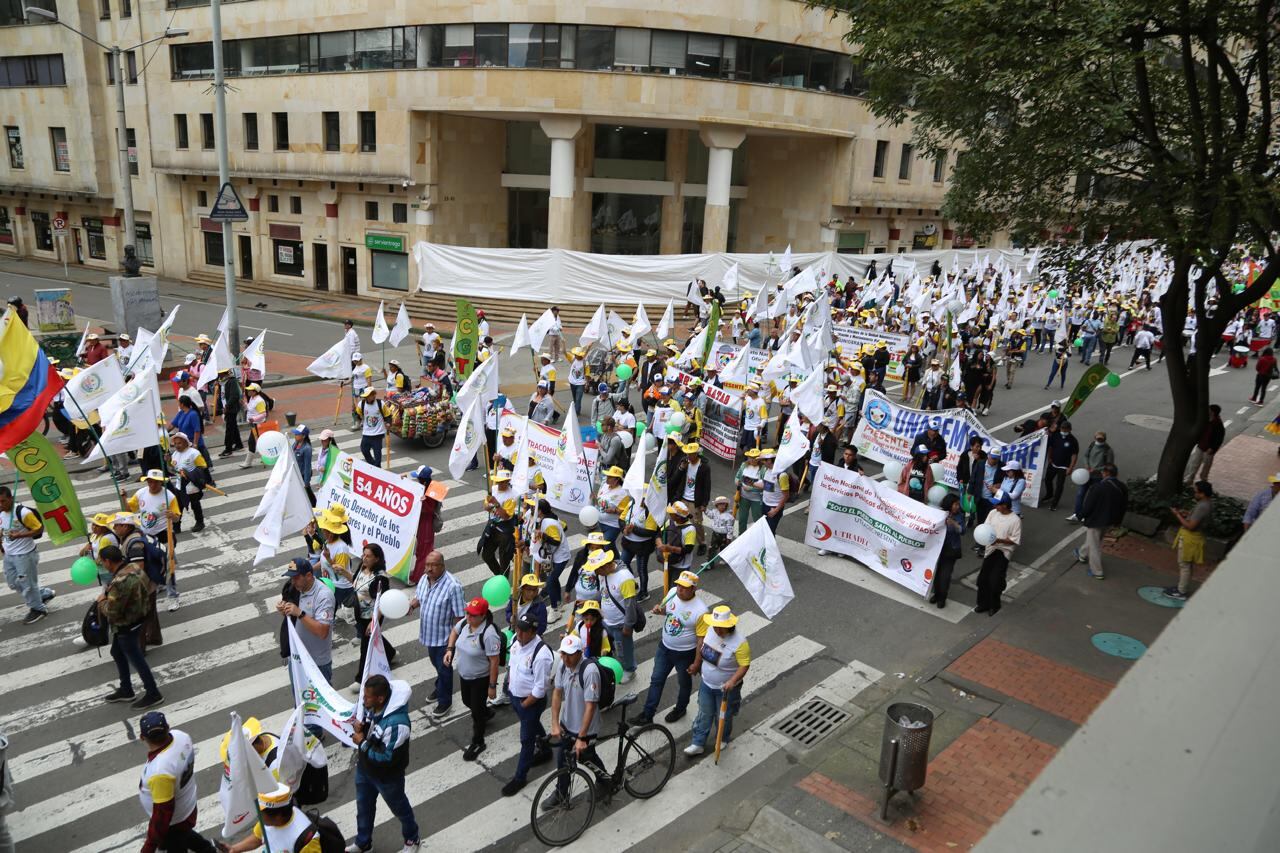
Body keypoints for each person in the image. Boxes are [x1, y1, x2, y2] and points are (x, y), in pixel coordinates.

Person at [348, 675, 421, 853]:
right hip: (365, 770)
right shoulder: (373, 707)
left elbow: (387, 758)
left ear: (380, 698)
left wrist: (362, 742)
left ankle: (413, 839)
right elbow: (371, 731)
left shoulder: (397, 724)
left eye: (367, 696)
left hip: (388, 778)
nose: (363, 699)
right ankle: (363, 842)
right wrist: (362, 728)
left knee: (400, 809)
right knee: (363, 808)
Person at [135, 712, 216, 853]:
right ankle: (207, 850)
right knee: (184, 834)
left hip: (173, 821)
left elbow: (162, 814)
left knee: (178, 841)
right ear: (168, 728)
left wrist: (149, 845)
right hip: (187, 805)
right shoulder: (181, 736)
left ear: (142, 737)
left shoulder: (160, 771)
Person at [636, 570, 708, 726]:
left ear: (693, 589)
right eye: (679, 585)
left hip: (685, 653)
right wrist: (659, 610)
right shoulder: (673, 592)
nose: (680, 589)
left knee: (684, 682)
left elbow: (701, 640)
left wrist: (696, 662)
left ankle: (681, 708)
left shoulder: (701, 611)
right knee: (656, 679)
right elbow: (667, 612)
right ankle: (647, 714)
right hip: (664, 647)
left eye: (684, 587)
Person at [99, 545, 164, 708]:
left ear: (108, 561)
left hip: (126, 624)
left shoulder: (119, 582)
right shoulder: (134, 567)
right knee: (117, 652)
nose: (102, 565)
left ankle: (153, 692)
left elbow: (112, 611)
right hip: (139, 617)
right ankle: (126, 689)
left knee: (136, 659)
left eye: (102, 562)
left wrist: (101, 602)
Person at [543, 634, 603, 809]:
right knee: (563, 760)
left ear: (580, 652)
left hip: (585, 727)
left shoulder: (590, 671)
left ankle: (604, 780)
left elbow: (590, 706)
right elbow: (557, 693)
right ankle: (562, 792)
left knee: (587, 757)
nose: (566, 658)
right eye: (563, 654)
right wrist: (555, 722)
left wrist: (581, 738)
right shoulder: (563, 666)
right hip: (567, 724)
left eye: (570, 654)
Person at [684, 605, 751, 757]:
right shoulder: (710, 630)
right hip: (707, 683)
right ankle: (698, 742)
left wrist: (732, 681)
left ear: (730, 626)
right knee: (704, 713)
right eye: (716, 626)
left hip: (726, 689)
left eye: (722, 627)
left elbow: (744, 665)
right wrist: (696, 665)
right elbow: (702, 648)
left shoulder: (740, 643)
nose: (718, 630)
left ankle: (722, 738)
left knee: (723, 716)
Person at [501, 615, 555, 796]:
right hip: (517, 698)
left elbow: (541, 688)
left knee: (526, 740)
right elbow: (512, 665)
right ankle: (546, 749)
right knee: (532, 726)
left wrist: (525, 704)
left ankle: (520, 777)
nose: (519, 633)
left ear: (533, 632)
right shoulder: (517, 641)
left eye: (524, 630)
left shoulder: (541, 655)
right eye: (518, 629)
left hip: (530, 702)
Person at [409, 550, 466, 718]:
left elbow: (459, 616)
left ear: (442, 566)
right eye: (427, 564)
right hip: (429, 635)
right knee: (436, 664)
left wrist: (453, 643)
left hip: (444, 638)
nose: (429, 568)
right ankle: (440, 684)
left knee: (444, 668)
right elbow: (420, 597)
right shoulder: (424, 578)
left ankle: (444, 701)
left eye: (433, 565)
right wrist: (412, 605)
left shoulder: (453, 586)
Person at [445, 597, 503, 761]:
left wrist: (492, 686)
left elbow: (494, 662)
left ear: (483, 615)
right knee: (467, 701)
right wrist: (450, 649)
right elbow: (454, 632)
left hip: (480, 679)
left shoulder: (489, 634)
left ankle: (478, 741)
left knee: (476, 713)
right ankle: (486, 712)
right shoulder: (465, 623)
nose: (469, 617)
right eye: (468, 613)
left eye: (473, 615)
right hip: (465, 675)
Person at [125, 469, 182, 610]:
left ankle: (173, 596)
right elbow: (129, 509)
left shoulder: (169, 496)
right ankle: (160, 584)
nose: (152, 484)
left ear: (161, 482)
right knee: (151, 565)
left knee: (169, 567)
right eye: (150, 481)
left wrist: (172, 516)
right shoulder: (141, 493)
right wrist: (123, 497)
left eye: (155, 482)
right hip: (147, 538)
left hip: (164, 536)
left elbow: (177, 517)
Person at [215, 783, 326, 853]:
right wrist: (234, 849)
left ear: (278, 815)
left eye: (261, 812)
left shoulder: (306, 839)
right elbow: (259, 837)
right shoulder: (268, 822)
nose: (258, 815)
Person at [0, 485, 54, 624]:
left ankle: (38, 609)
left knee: (28, 584)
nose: (1, 504)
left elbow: (39, 528)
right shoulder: (1, 512)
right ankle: (41, 594)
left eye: (3, 501)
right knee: (13, 583)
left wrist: (19, 535)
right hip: (9, 555)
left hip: (25, 555)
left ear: (11, 499)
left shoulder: (23, 512)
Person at [276, 558, 335, 683]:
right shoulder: (295, 588)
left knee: (319, 702)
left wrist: (299, 613)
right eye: (291, 578)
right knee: (299, 701)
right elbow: (292, 618)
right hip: (296, 659)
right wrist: (284, 610)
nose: (292, 581)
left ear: (308, 576)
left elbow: (322, 632)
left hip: (316, 663)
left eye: (296, 578)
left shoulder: (324, 596)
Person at [351, 543, 396, 690]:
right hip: (360, 614)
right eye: (363, 554)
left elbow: (382, 601)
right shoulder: (362, 568)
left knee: (366, 646)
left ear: (377, 558)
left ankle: (360, 679)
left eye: (368, 556)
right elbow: (355, 583)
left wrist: (373, 621)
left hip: (373, 615)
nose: (364, 558)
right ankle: (390, 652)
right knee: (373, 637)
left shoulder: (381, 578)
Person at [1073, 464, 1128, 580]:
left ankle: (1097, 571)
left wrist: (1080, 515)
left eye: (1103, 472)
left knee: (1095, 545)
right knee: (1094, 540)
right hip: (1110, 520)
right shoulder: (1122, 487)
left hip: (1096, 520)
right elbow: (1124, 506)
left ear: (1106, 473)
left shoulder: (1098, 487)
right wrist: (1118, 521)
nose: (1102, 474)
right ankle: (1082, 554)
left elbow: (1089, 505)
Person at [593, 549, 640, 683]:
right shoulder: (603, 574)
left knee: (623, 648)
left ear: (606, 565)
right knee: (614, 646)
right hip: (607, 620)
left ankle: (629, 670)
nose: (597, 573)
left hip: (620, 623)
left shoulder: (624, 578)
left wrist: (628, 625)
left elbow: (630, 604)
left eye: (598, 570)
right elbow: (603, 592)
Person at [1165, 481, 1214, 601]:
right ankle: (1182, 588)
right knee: (1186, 564)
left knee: (1184, 565)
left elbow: (1190, 526)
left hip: (1190, 539)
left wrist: (1177, 515)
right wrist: (1188, 513)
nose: (1194, 494)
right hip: (1194, 538)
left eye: (1196, 492)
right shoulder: (1207, 503)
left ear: (1202, 493)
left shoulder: (1203, 506)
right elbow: (1197, 518)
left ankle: (1181, 592)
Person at [974, 494, 1022, 616]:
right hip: (990, 550)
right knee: (982, 579)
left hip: (1003, 552)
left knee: (995, 581)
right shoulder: (992, 513)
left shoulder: (1015, 520)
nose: (995, 506)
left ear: (1005, 505)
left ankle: (994, 605)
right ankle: (982, 604)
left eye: (998, 504)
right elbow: (985, 528)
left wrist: (999, 540)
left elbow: (1015, 540)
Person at [669, 443, 710, 554]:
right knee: (677, 520)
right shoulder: (684, 462)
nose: (689, 457)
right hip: (682, 498)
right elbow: (675, 479)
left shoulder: (704, 467)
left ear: (696, 454)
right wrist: (681, 468)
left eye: (691, 454)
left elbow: (707, 486)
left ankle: (702, 543)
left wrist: (704, 503)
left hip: (695, 501)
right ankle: (679, 540)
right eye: (688, 454)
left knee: (697, 523)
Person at [1067, 429, 1116, 522]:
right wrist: (1087, 466)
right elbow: (1086, 456)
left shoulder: (1108, 451)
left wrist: (1096, 469)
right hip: (1086, 474)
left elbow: (1109, 465)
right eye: (1098, 439)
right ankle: (1077, 514)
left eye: (1101, 440)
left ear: (1105, 439)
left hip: (1098, 477)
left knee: (1091, 497)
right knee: (1080, 494)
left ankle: (1086, 515)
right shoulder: (1092, 445)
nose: (1099, 441)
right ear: (1095, 438)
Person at [169, 432, 210, 534]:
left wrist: (188, 473)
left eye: (179, 443)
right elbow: (172, 469)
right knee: (178, 506)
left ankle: (200, 522)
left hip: (192, 486)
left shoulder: (194, 453)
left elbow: (203, 466)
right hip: (180, 485)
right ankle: (176, 526)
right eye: (175, 443)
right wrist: (167, 462)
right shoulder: (174, 454)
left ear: (186, 443)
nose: (177, 446)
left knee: (195, 505)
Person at [929, 494, 965, 608]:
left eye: (958, 504)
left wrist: (954, 524)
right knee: (937, 574)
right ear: (949, 504)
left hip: (951, 550)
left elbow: (963, 531)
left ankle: (942, 598)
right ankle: (936, 594)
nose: (957, 507)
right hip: (938, 549)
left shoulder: (959, 516)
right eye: (955, 504)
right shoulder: (939, 513)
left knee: (945, 575)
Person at [481, 470, 517, 576]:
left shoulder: (512, 495)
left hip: (505, 531)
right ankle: (499, 577)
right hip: (492, 527)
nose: (500, 484)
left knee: (504, 561)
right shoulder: (493, 489)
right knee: (486, 555)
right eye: (499, 482)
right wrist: (488, 506)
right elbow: (485, 506)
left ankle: (503, 582)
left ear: (508, 481)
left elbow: (506, 516)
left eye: (503, 482)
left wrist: (496, 504)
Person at [1043, 418, 1079, 511]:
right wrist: (1049, 457)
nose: (1064, 430)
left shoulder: (1073, 440)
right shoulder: (1055, 435)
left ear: (1070, 429)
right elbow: (1051, 447)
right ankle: (1049, 494)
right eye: (1062, 428)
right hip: (1053, 463)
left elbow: (1074, 455)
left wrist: (1070, 468)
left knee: (1059, 485)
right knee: (1047, 480)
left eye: (1066, 429)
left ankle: (1054, 504)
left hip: (1064, 467)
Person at [1185, 405, 1225, 484]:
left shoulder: (1218, 424)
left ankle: (1204, 479)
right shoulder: (1205, 419)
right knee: (1195, 463)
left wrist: (1212, 448)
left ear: (1213, 412)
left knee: (1206, 465)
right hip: (1201, 445)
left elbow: (1219, 438)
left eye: (1209, 410)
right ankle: (1190, 478)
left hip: (1209, 449)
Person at [734, 448, 766, 534]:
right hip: (743, 497)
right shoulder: (744, 465)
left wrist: (751, 488)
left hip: (757, 499)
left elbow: (765, 485)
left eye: (755, 457)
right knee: (742, 519)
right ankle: (741, 537)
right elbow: (737, 477)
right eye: (750, 457)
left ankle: (758, 539)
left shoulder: (763, 469)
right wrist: (738, 482)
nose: (752, 459)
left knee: (758, 520)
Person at [760, 448, 791, 532]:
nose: (762, 462)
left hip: (774, 507)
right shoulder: (766, 469)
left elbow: (786, 496)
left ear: (769, 460)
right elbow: (767, 486)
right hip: (764, 504)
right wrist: (751, 483)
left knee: (769, 532)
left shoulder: (782, 475)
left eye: (763, 460)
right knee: (764, 530)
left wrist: (776, 510)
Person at [356, 387, 389, 467]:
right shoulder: (361, 404)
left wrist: (388, 422)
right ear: (366, 396)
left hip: (378, 434)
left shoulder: (380, 403)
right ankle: (373, 465)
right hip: (366, 433)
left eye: (374, 394)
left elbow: (388, 415)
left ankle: (377, 468)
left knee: (377, 454)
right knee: (364, 450)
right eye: (371, 395)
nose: (373, 396)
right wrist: (358, 418)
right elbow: (358, 415)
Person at [217, 369, 243, 458]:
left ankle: (228, 449)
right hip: (226, 407)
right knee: (233, 426)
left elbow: (234, 395)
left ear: (223, 373)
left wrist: (227, 406)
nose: (218, 374)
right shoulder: (221, 382)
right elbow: (222, 395)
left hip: (231, 408)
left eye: (219, 373)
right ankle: (239, 444)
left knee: (229, 428)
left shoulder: (231, 381)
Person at [292, 425, 316, 506]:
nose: (295, 435)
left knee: (307, 492)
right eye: (295, 434)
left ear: (304, 436)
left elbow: (307, 466)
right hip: (296, 473)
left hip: (302, 475)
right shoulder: (295, 443)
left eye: (297, 434)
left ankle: (314, 505)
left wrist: (306, 482)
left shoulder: (307, 448)